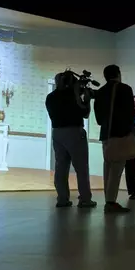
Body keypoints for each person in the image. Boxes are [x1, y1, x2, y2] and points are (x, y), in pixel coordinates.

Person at [45, 71, 96, 208]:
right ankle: (85, 199)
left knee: (60, 167)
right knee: (81, 168)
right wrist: (87, 99)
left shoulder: (50, 97)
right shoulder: (73, 96)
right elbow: (84, 113)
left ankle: (62, 199)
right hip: (74, 131)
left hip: (57, 133)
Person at [94, 65, 135, 213]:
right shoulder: (125, 89)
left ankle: (108, 200)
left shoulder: (100, 92)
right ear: (118, 74)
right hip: (120, 134)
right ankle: (111, 202)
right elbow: (131, 113)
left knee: (108, 167)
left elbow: (98, 119)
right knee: (116, 169)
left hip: (105, 134)